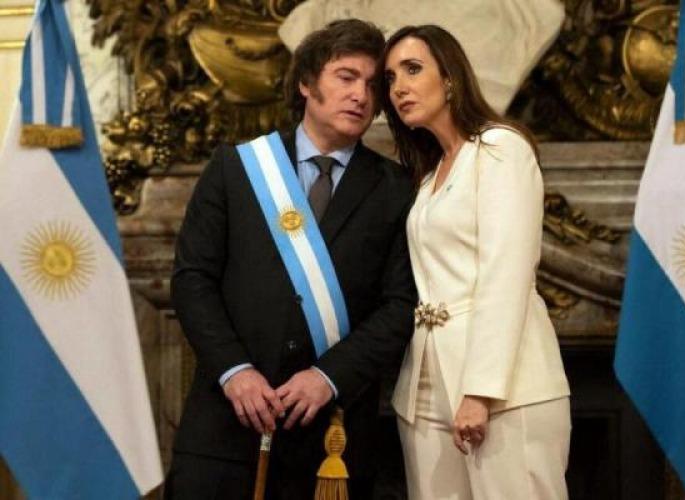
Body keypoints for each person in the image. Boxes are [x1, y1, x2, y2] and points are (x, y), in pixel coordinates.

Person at [165, 19, 416, 500]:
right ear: (306, 83)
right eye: (346, 77)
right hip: (225, 426)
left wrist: (329, 377)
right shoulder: (236, 168)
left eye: (372, 85)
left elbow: (401, 305)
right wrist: (234, 370)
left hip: (331, 438)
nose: (361, 96)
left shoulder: (396, 189)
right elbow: (193, 279)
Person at [382, 25, 572, 499]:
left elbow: (506, 274)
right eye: (390, 78)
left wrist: (480, 391)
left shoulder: (500, 147)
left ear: (449, 78)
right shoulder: (428, 176)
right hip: (425, 385)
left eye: (412, 69)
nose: (399, 87)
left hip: (504, 388)